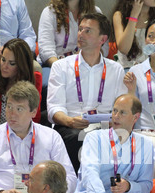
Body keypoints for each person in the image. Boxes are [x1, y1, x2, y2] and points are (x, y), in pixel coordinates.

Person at [73, 93, 155, 193]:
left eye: (122, 112)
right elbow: (90, 172)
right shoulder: (94, 137)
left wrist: (129, 186)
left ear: (135, 117)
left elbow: (146, 185)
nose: (116, 116)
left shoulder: (145, 144)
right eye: (114, 111)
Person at [47, 12, 127, 173]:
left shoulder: (116, 69)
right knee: (78, 138)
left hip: (105, 127)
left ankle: (113, 188)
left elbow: (121, 108)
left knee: (124, 137)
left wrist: (114, 122)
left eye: (88, 31)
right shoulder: (61, 66)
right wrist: (69, 121)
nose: (81, 34)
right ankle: (76, 187)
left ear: (102, 39)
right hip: (70, 127)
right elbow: (54, 109)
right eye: (80, 29)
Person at [38, 0, 108, 68]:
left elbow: (103, 47)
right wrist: (62, 68)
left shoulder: (95, 12)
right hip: (54, 64)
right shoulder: (50, 12)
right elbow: (46, 50)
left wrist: (86, 57)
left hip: (86, 64)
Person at [112, 0, 155, 69]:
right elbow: (124, 49)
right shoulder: (120, 16)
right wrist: (134, 15)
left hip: (154, 71)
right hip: (128, 71)